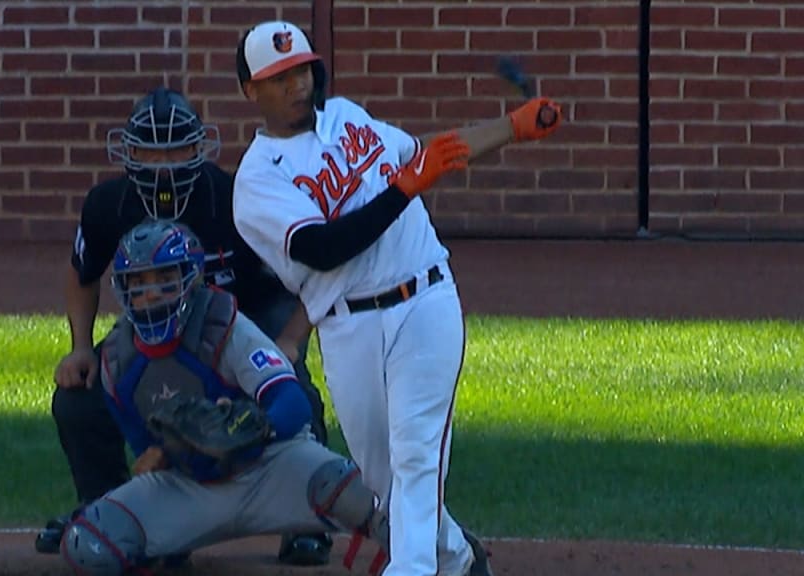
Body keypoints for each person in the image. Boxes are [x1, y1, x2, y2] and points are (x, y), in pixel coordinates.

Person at [231, 21, 564, 576]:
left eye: (301, 71)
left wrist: (512, 127)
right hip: (346, 327)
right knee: (385, 482)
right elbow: (322, 248)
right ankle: (458, 558)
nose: (296, 86)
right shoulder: (257, 181)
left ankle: (411, 569)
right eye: (278, 77)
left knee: (415, 454)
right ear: (251, 91)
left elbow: (427, 154)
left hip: (424, 302)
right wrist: (406, 186)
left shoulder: (347, 117)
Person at [37, 86, 332, 565]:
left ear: (200, 148)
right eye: (150, 150)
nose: (163, 163)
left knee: (289, 388)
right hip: (154, 328)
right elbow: (82, 271)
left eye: (176, 148)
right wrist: (80, 347)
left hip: (239, 320)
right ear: (128, 152)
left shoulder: (238, 198)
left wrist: (290, 340)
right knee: (79, 397)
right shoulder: (107, 204)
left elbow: (311, 273)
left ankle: (308, 521)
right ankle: (111, 511)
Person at [59, 220, 391, 575]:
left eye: (164, 279)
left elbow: (292, 404)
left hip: (267, 468)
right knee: (89, 544)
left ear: (191, 279)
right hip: (191, 486)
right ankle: (168, 550)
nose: (151, 293)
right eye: (138, 284)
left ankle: (445, 552)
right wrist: (164, 454)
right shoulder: (115, 360)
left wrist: (246, 426)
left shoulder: (225, 325)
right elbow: (148, 452)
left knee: (356, 494)